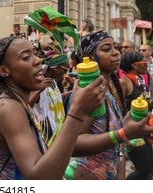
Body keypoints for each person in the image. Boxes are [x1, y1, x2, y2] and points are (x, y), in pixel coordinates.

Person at [0, 35, 106, 179]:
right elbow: (41, 177)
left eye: (35, 54)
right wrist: (77, 112)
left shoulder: (18, 104)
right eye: (25, 57)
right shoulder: (9, 108)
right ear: (4, 70)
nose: (38, 60)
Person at [65, 31, 153, 180]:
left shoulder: (109, 90)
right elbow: (73, 145)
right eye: (106, 49)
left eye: (115, 47)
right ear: (91, 58)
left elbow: (115, 142)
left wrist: (120, 173)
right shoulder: (88, 93)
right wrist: (124, 133)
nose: (115, 53)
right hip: (85, 176)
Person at [119, 51, 153, 179]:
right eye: (144, 62)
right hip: (131, 133)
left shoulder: (141, 80)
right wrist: (124, 137)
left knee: (150, 169)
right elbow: (117, 108)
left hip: (143, 130)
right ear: (135, 65)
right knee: (143, 170)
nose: (147, 64)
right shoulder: (124, 82)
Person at [29, 51, 69, 145]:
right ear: (55, 68)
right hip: (46, 136)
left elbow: (55, 100)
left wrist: (71, 93)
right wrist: (40, 89)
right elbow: (27, 106)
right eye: (65, 70)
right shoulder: (38, 83)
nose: (65, 73)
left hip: (58, 134)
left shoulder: (53, 82)